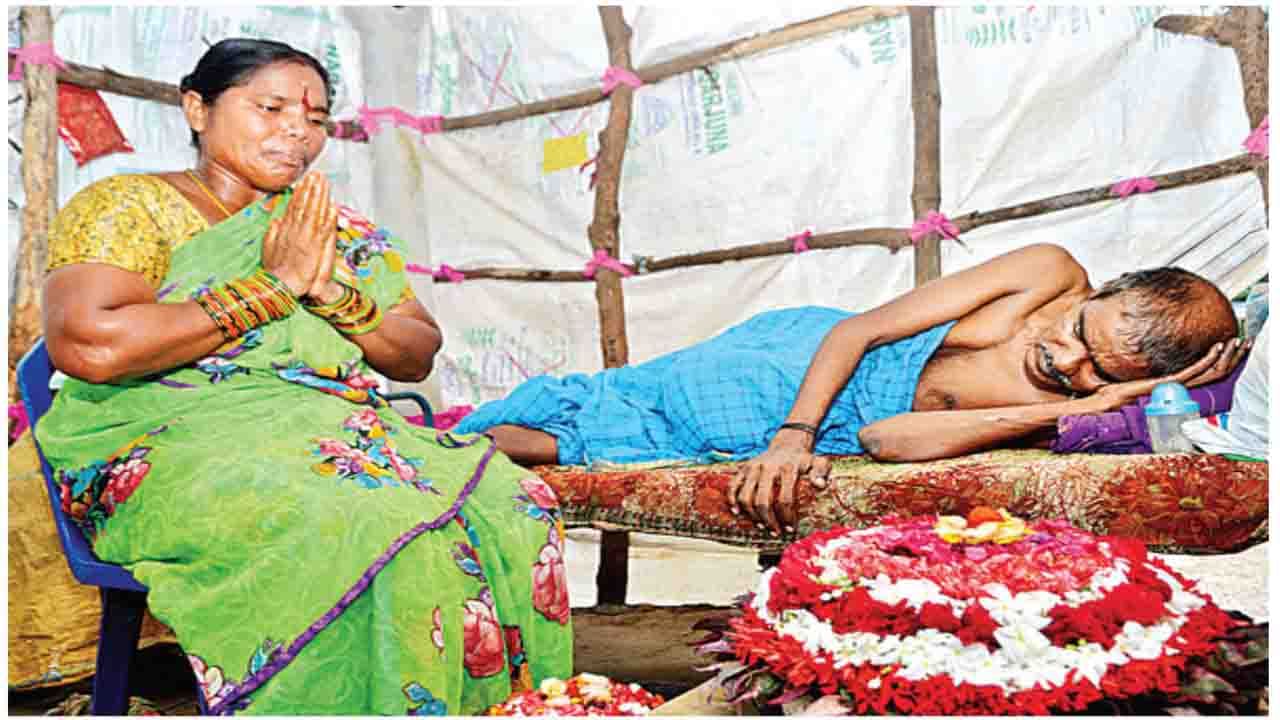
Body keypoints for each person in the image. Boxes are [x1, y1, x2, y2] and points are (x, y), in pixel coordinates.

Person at [35, 39, 570, 715]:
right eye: (271, 106)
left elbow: (415, 351)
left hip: (316, 428)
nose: (297, 129)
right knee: (369, 516)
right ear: (198, 109)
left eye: (315, 117)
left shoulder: (330, 228)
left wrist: (333, 296)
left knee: (515, 501)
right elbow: (90, 344)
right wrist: (272, 285)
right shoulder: (129, 205)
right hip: (162, 436)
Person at [457, 244, 1247, 535]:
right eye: (1080, 329)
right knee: (620, 408)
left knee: (622, 438)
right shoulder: (1043, 273)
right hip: (802, 366)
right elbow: (860, 330)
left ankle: (435, 445)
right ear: (1099, 288)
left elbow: (887, 441)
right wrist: (793, 436)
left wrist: (1086, 409)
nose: (1065, 359)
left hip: (838, 425)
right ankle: (434, 442)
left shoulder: (1077, 406)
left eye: (1097, 371)